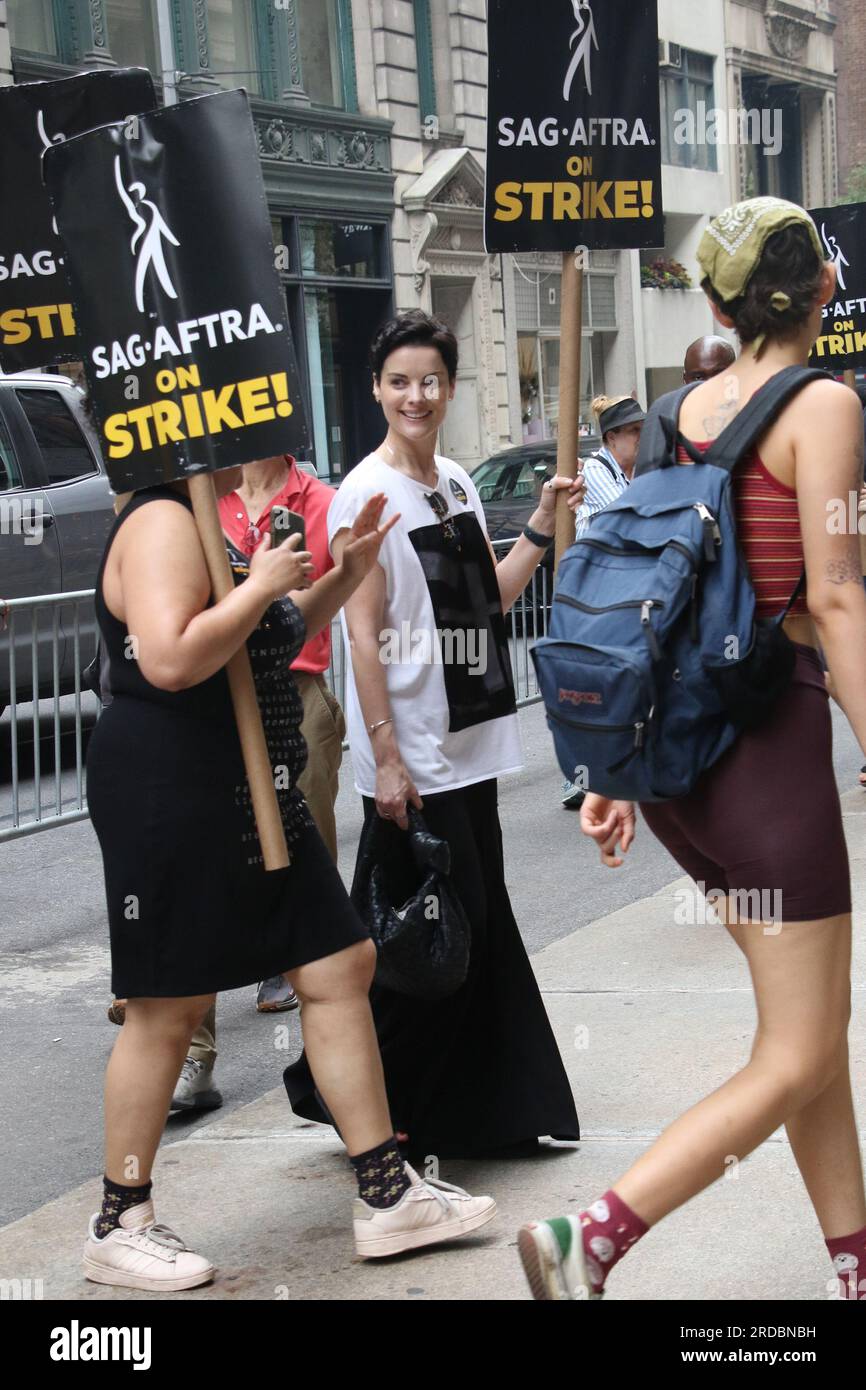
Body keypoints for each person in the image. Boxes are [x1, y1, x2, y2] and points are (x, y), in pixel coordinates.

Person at [518, 196, 866, 1301]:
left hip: (685, 783)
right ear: (820, 289)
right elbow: (838, 595)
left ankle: (852, 1266)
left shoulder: (669, 414)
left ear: (716, 300)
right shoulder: (824, 407)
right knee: (801, 1048)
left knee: (800, 1032)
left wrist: (610, 776)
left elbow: (652, 606)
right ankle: (596, 1236)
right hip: (767, 763)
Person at [83, 466, 496, 1292]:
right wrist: (264, 578)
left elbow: (262, 636)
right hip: (174, 785)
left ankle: (387, 1193)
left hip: (254, 782)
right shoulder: (163, 522)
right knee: (169, 1003)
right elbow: (168, 659)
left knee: (339, 960)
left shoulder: (206, 515)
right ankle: (119, 1220)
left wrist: (342, 572)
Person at [284, 310, 582, 1160]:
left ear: (450, 389)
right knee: (421, 942)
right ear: (377, 389)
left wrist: (535, 530)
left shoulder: (453, 479)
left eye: (431, 381)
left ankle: (454, 1109)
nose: (417, 395)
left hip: (473, 740)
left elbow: (488, 593)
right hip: (413, 753)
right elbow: (361, 631)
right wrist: (383, 755)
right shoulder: (363, 495)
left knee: (453, 934)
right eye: (400, 381)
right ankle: (374, 1107)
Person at [559, 394, 646, 810]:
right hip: (594, 597)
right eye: (634, 431)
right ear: (612, 437)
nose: (642, 438)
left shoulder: (629, 472)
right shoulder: (596, 470)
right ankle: (583, 777)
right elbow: (632, 517)